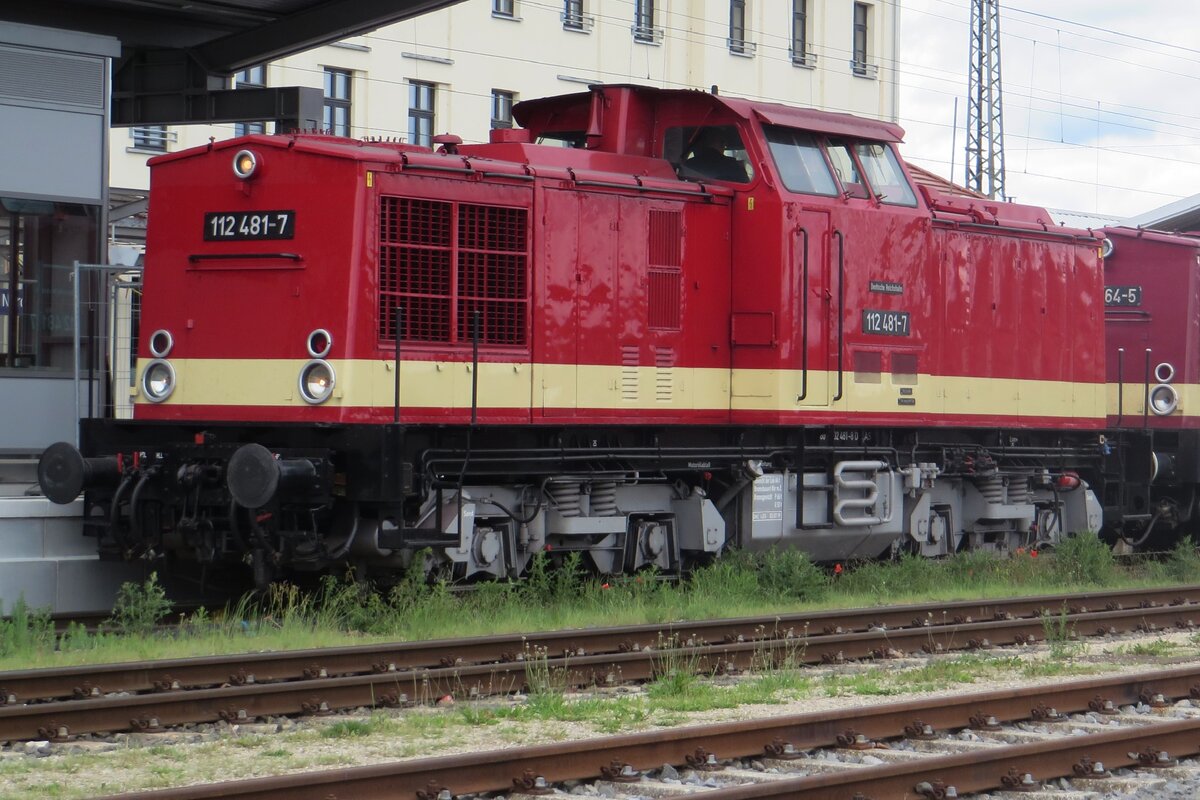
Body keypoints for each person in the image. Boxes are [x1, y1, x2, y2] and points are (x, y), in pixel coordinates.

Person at [681, 127, 749, 183]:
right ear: (722, 143)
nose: (724, 146)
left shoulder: (687, 166)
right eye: (723, 142)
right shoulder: (733, 166)